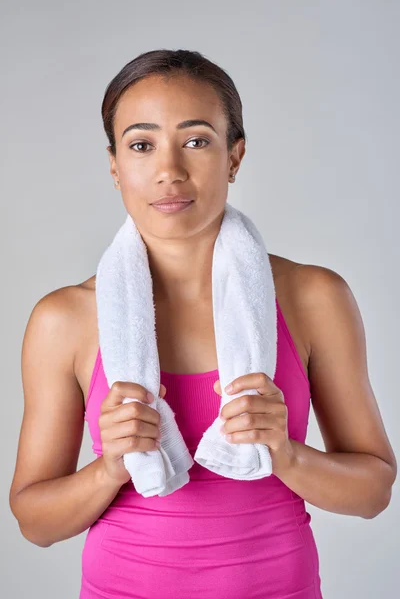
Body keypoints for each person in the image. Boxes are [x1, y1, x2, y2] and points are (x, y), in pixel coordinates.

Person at [9, 49, 397, 599]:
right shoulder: (64, 320)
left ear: (235, 156)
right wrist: (109, 468)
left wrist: (287, 453)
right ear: (115, 165)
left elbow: (374, 491)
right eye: (141, 145)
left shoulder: (314, 298)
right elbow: (34, 521)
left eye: (196, 140)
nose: (169, 170)